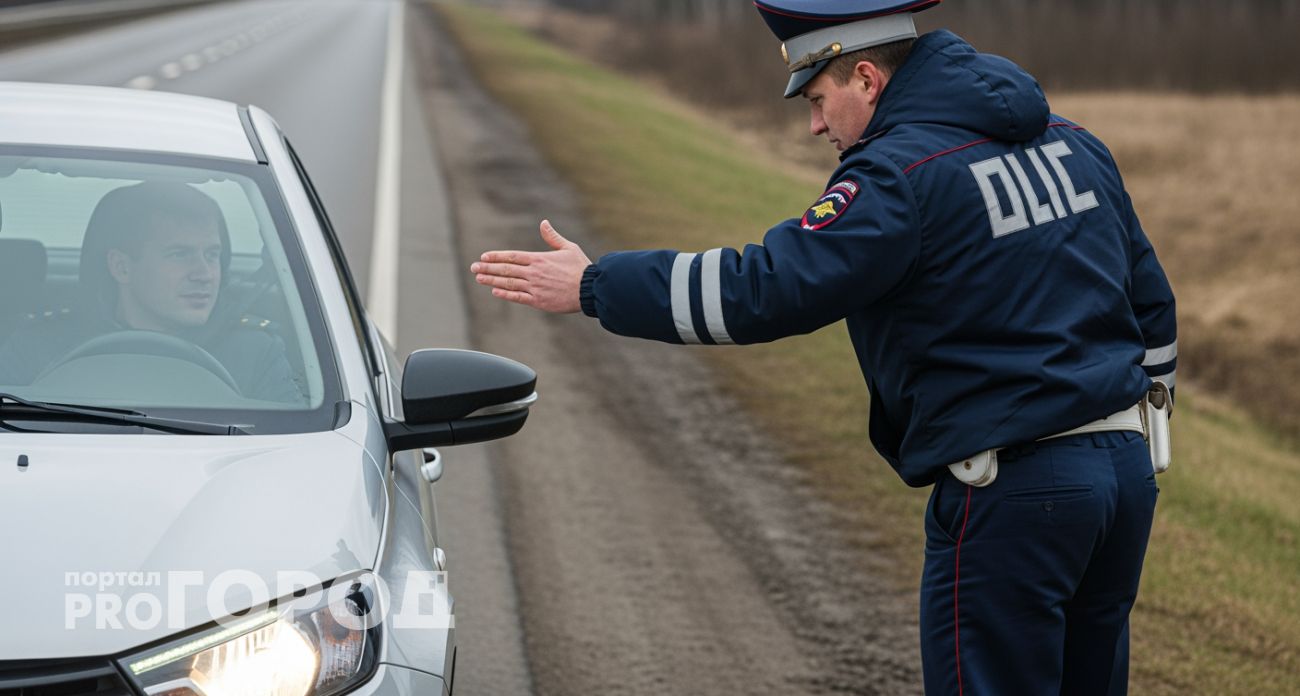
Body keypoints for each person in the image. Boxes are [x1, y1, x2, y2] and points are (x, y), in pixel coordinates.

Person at [469, 1, 1177, 693]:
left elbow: (765, 289)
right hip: (1123, 478)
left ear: (867, 78)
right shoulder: (1074, 142)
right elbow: (1150, 301)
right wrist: (1148, 428)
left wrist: (596, 285)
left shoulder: (895, 176)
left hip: (1017, 496)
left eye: (817, 97)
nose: (813, 125)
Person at [0, 181, 303, 403]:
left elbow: (295, 452)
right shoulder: (36, 348)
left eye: (212, 255)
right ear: (121, 267)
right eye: (180, 254)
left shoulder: (255, 352)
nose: (204, 274)